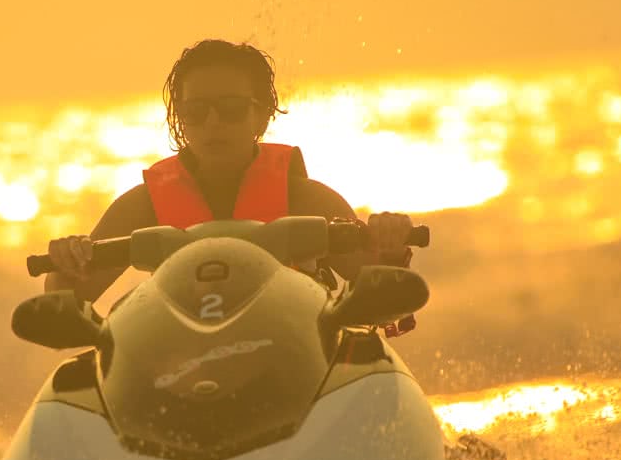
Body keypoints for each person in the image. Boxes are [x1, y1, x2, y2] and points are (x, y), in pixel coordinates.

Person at [44, 39, 419, 335]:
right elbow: (65, 302)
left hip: (298, 369)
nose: (213, 123)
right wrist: (66, 264)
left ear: (262, 113)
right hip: (178, 379)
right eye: (197, 111)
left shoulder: (307, 199)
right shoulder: (142, 207)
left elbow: (384, 300)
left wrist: (390, 247)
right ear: (181, 119)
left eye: (232, 108)